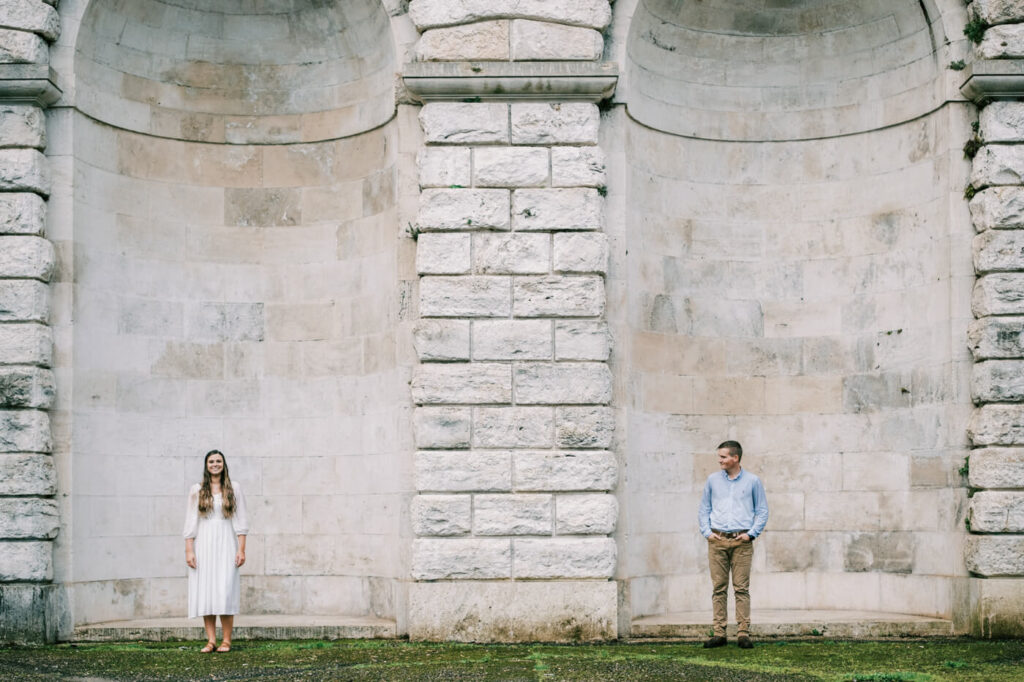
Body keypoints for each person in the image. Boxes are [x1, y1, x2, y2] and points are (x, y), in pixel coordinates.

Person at [697, 440, 769, 649]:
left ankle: (743, 633)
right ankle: (719, 633)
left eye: (723, 457)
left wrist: (751, 534)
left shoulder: (753, 481)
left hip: (742, 542)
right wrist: (707, 533)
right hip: (717, 541)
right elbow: (704, 509)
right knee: (719, 588)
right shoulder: (712, 481)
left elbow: (762, 510)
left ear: (735, 458)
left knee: (741, 588)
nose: (719, 460)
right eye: (719, 457)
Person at [183, 449, 248, 653]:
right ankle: (211, 641)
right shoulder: (197, 489)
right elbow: (191, 521)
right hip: (204, 543)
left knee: (225, 590)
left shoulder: (234, 488)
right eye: (211, 461)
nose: (215, 464)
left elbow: (241, 520)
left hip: (226, 542)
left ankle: (226, 640)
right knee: (207, 591)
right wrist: (189, 550)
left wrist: (241, 549)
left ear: (223, 464)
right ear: (206, 465)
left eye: (218, 461)